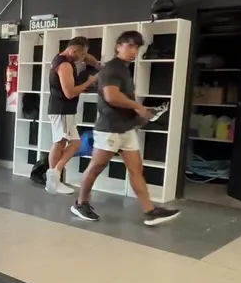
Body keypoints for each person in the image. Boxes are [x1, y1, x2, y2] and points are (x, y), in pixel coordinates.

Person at [70, 30, 180, 226]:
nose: (133, 51)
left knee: (136, 169)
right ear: (118, 47)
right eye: (129, 46)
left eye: (136, 47)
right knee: (96, 167)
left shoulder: (123, 69)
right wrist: (139, 107)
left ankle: (150, 211)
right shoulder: (112, 68)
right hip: (110, 128)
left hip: (126, 127)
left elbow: (122, 97)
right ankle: (80, 204)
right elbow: (111, 96)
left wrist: (139, 113)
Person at [34, 37, 99, 194]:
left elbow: (88, 58)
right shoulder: (64, 65)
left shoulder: (67, 58)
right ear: (73, 50)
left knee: (75, 143)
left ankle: (55, 173)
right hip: (61, 109)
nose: (83, 59)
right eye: (82, 55)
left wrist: (100, 66)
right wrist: (89, 82)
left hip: (66, 110)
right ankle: (53, 180)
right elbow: (70, 93)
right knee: (59, 142)